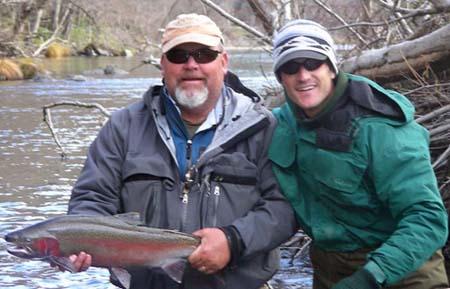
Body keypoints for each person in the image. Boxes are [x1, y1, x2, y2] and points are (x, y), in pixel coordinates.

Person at [60, 13, 297, 289]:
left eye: (204, 54)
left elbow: (285, 207)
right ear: (163, 65)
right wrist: (80, 238)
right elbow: (92, 197)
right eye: (178, 55)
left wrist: (234, 241)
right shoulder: (123, 127)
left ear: (223, 62)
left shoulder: (262, 127)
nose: (191, 64)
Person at [268, 19, 449, 289]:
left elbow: (428, 219)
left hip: (404, 270)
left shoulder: (382, 129)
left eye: (313, 63)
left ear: (331, 68)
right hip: (330, 271)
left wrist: (368, 278)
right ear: (280, 77)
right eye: (291, 67)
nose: (303, 75)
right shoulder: (277, 124)